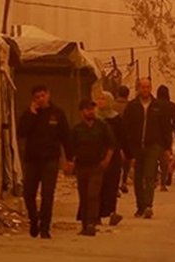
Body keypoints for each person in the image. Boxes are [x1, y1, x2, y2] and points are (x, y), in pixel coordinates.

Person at [17, 84, 71, 239]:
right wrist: (32, 114)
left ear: (48, 95)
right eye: (37, 97)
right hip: (32, 160)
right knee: (28, 194)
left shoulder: (57, 114)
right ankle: (34, 219)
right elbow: (22, 132)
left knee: (48, 194)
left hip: (50, 160)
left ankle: (45, 227)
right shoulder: (29, 114)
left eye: (43, 95)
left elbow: (66, 137)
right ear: (33, 99)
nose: (41, 99)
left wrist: (70, 159)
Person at [122, 78, 175, 218]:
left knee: (150, 175)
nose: (145, 90)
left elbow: (165, 128)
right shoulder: (132, 106)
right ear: (138, 89)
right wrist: (125, 148)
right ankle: (140, 206)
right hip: (136, 147)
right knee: (138, 177)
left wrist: (167, 148)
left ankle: (148, 205)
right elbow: (125, 128)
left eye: (147, 87)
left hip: (153, 146)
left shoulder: (158, 106)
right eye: (142, 87)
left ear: (151, 88)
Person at [66, 98, 116, 236]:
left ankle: (91, 223)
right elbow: (71, 148)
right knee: (84, 196)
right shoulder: (77, 129)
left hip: (96, 165)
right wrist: (70, 163)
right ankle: (85, 225)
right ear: (81, 112)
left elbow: (111, 144)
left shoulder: (102, 126)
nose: (91, 111)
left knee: (93, 194)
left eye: (92, 109)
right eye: (88, 109)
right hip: (82, 166)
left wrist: (106, 160)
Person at [96, 91, 126, 227]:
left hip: (113, 157)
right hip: (97, 155)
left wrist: (126, 153)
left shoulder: (116, 118)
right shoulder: (94, 117)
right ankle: (96, 214)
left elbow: (122, 137)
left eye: (103, 99)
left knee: (111, 186)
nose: (100, 101)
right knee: (97, 186)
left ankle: (111, 212)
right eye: (99, 98)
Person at [156, 85, 175, 191]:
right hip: (167, 135)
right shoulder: (172, 105)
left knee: (153, 158)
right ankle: (163, 183)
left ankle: (154, 180)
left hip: (155, 135)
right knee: (164, 159)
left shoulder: (154, 104)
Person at [115, 85, 132, 195]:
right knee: (127, 160)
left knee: (116, 162)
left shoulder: (112, 105)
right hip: (128, 137)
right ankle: (124, 181)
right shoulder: (131, 106)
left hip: (115, 136)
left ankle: (116, 184)